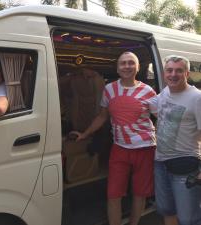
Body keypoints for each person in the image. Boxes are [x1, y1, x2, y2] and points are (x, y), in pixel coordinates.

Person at [72, 52, 157, 225]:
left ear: (138, 67)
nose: (127, 66)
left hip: (145, 148)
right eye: (123, 63)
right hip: (119, 148)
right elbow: (102, 116)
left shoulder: (148, 92)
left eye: (131, 63)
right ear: (117, 68)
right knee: (113, 194)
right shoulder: (109, 89)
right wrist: (85, 134)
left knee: (140, 193)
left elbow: (161, 117)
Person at [154, 55, 201, 225]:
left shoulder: (197, 98)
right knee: (167, 210)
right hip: (160, 162)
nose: (173, 74)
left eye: (179, 71)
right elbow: (153, 108)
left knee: (189, 218)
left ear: (187, 74)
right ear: (164, 73)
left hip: (186, 165)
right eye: (169, 70)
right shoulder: (165, 92)